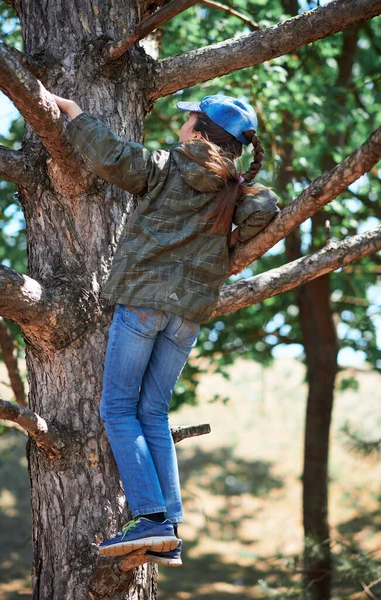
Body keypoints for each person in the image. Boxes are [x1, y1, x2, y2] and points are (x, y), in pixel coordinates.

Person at [52, 93, 280, 566]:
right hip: (187, 315)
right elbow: (266, 210)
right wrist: (227, 235)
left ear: (198, 131)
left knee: (118, 409)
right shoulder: (231, 188)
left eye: (189, 118)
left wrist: (75, 115)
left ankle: (151, 517)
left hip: (143, 304)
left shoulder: (164, 165)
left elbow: (111, 157)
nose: (183, 125)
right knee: (152, 412)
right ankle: (168, 529)